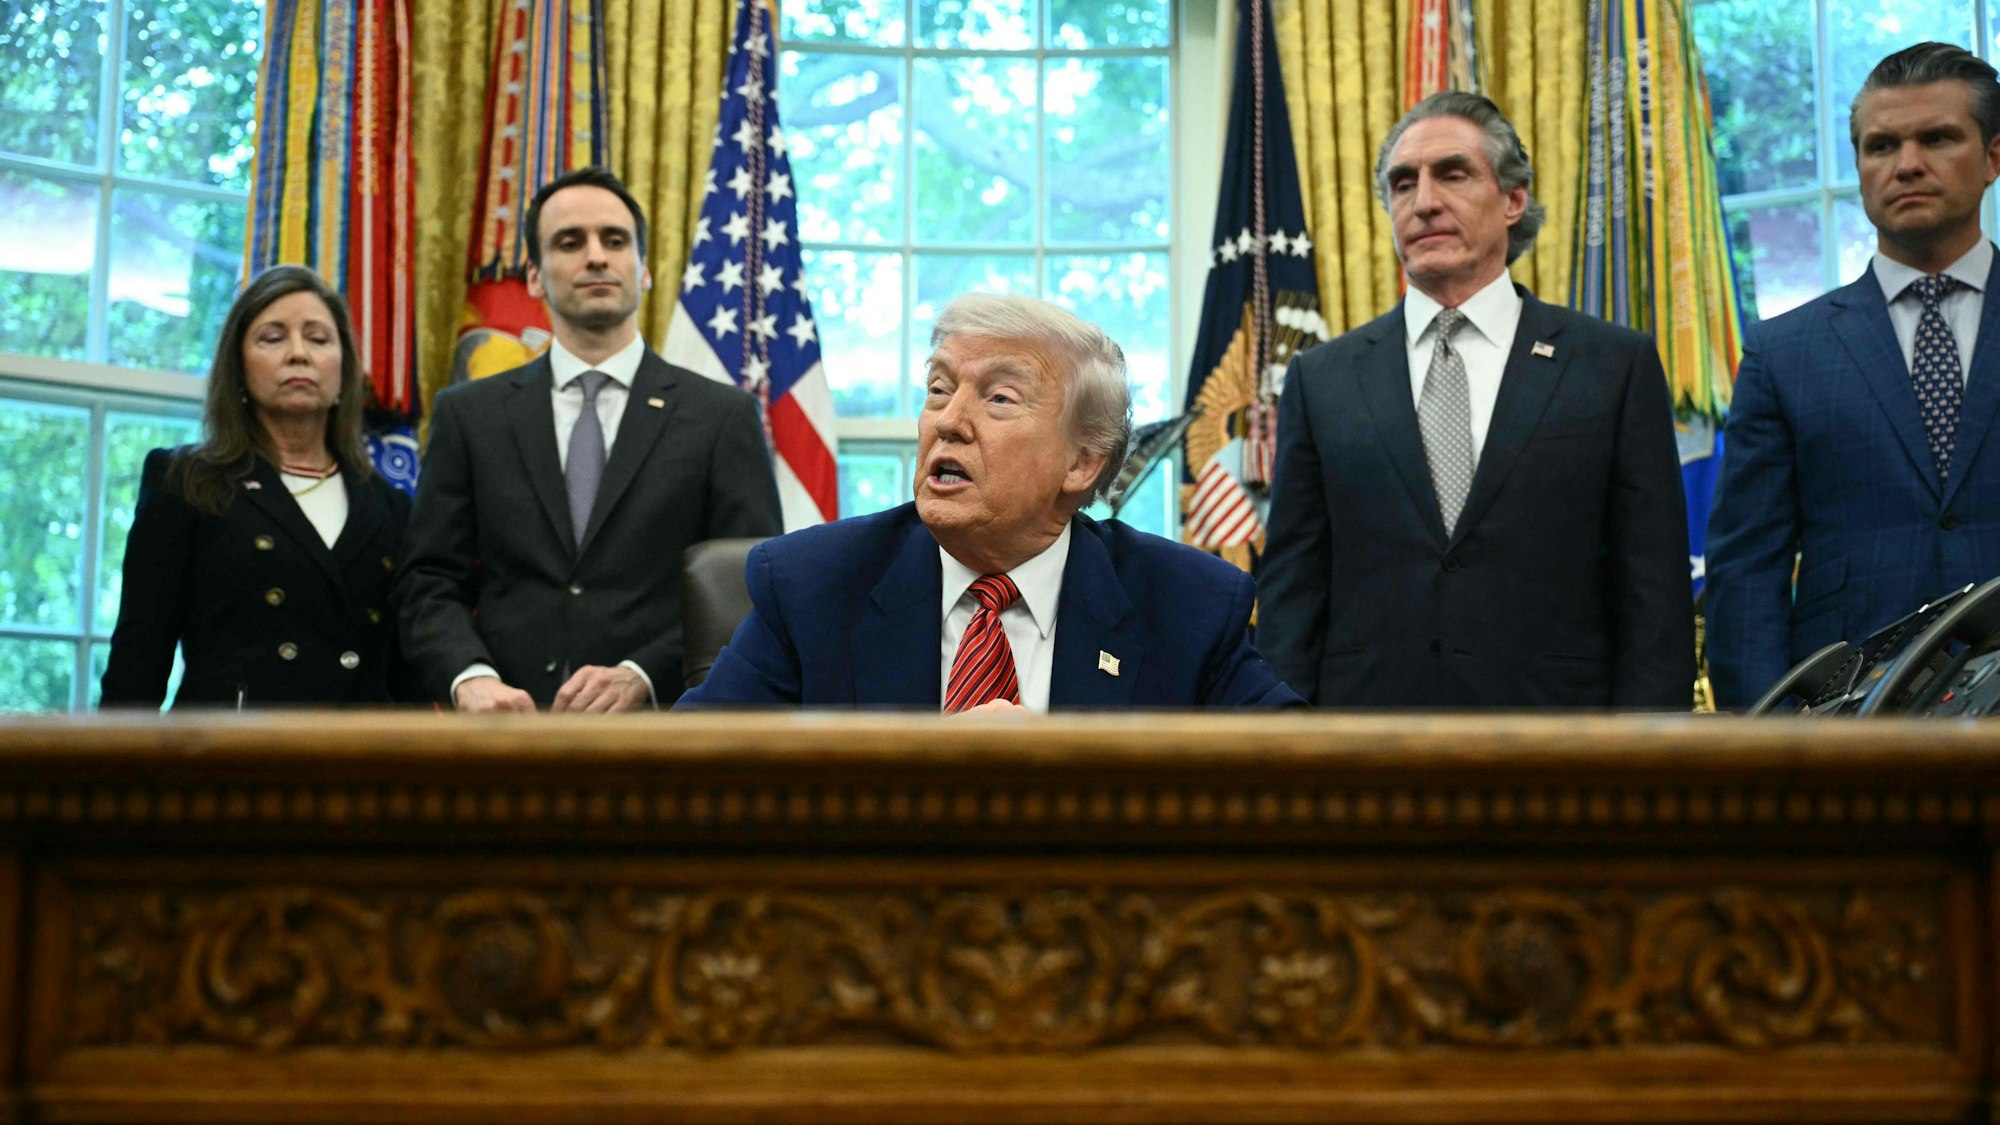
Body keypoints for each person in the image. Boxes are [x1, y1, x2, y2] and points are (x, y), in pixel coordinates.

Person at [1257, 91, 1692, 709]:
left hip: (1561, 747)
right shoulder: (1322, 378)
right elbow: (1292, 595)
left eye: (1453, 174)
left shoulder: (1611, 366)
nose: (1424, 202)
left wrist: (1647, 762)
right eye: (1402, 185)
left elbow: (1655, 592)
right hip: (1369, 751)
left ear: (1514, 200)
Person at [679, 293, 1300, 710]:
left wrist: (1049, 779)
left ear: (1082, 462)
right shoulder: (812, 586)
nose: (947, 421)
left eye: (999, 399)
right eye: (939, 388)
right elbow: (682, 777)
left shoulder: (1189, 606)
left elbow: (1301, 789)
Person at [396, 167, 782, 712]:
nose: (596, 256)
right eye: (570, 242)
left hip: (665, 734)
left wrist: (642, 674)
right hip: (508, 733)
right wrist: (470, 677)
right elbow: (429, 580)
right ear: (534, 275)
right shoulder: (468, 415)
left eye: (615, 240)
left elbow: (747, 589)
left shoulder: (722, 417)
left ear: (644, 270)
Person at [1707, 44, 2000, 708]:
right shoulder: (1785, 353)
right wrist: (1768, 746)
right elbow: (1747, 572)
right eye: (1880, 146)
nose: (1907, 164)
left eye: (1938, 138)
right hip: (1853, 729)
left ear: (1993, 158)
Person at [100, 265, 413, 707]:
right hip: (228, 761)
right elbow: (139, 657)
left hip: (356, 762)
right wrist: (117, 773)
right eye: (273, 337)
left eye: (319, 338)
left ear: (344, 371)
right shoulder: (188, 481)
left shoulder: (390, 506)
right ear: (239, 368)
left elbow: (406, 675)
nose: (298, 353)